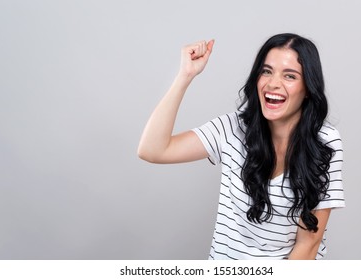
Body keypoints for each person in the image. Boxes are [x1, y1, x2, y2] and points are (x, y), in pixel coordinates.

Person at [138, 33, 345, 260]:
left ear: (308, 88)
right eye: (266, 71)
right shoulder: (231, 129)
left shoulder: (325, 141)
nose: (273, 84)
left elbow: (308, 245)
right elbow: (152, 149)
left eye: (290, 76)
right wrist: (185, 76)